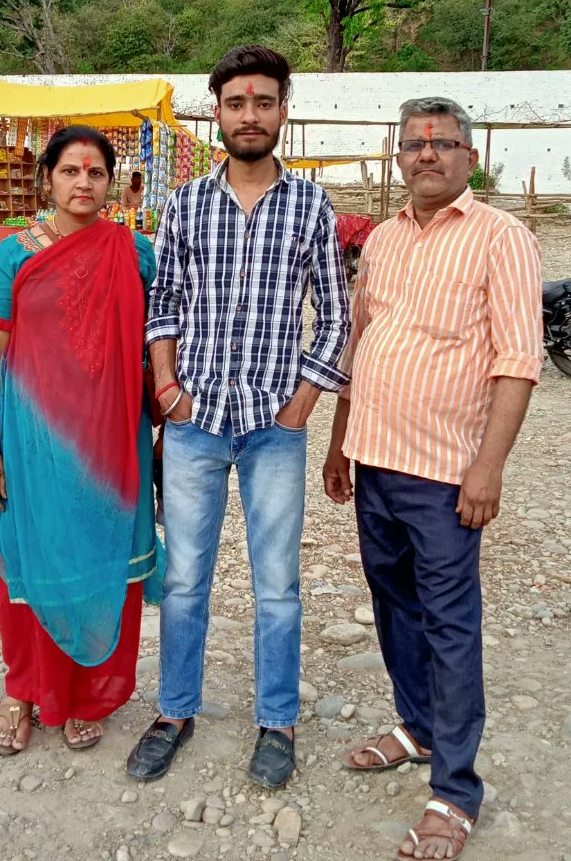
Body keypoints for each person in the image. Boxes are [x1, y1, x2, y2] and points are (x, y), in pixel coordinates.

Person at [323, 97, 542, 860]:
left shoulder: (500, 238)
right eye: (414, 144)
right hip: (376, 461)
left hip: (447, 475)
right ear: (399, 157)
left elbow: (518, 360)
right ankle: (416, 727)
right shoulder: (382, 240)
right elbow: (359, 343)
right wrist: (339, 445)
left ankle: (455, 792)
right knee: (393, 607)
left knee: (450, 624)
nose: (427, 155)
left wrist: (490, 467)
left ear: (468, 157)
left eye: (443, 143)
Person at [126, 46, 351, 788]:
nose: (249, 115)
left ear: (284, 110)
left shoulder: (312, 205)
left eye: (264, 101)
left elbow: (335, 315)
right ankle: (175, 711)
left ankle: (276, 721)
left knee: (276, 585)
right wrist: (167, 388)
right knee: (186, 579)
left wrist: (303, 401)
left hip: (273, 431)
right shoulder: (186, 203)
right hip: (192, 422)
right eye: (235, 102)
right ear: (216, 112)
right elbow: (166, 303)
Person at [0, 126, 163, 757]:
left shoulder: (135, 252)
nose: (84, 183)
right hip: (34, 442)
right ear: (47, 178)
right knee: (30, 558)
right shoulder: (15, 253)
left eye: (96, 172)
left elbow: (159, 338)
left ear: (112, 181)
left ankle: (88, 694)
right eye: (70, 172)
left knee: (101, 557)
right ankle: (22, 692)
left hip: (110, 440)